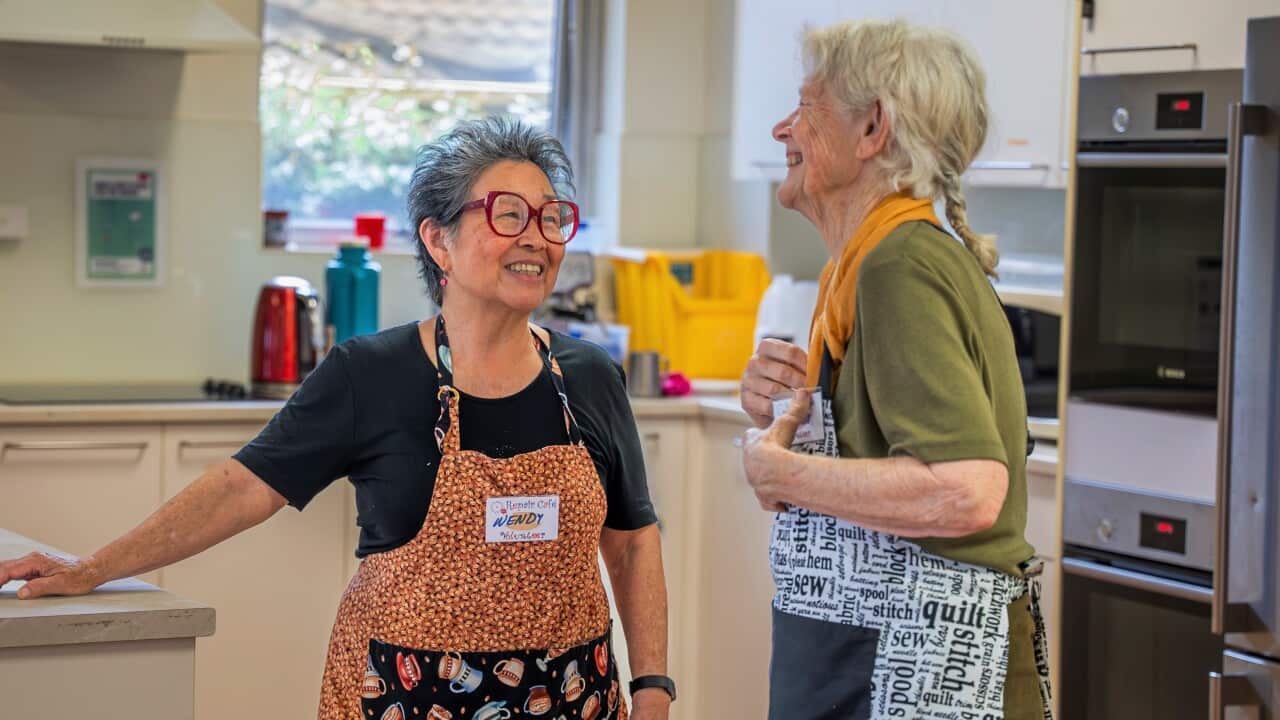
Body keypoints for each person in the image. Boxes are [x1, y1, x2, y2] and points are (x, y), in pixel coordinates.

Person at [0, 117, 674, 720]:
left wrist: (651, 686)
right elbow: (243, 488)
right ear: (438, 241)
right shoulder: (369, 374)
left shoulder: (588, 378)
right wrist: (90, 568)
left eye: (550, 217)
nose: (536, 237)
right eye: (508, 214)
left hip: (573, 698)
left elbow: (634, 539)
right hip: (405, 698)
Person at [737, 19, 1051, 720]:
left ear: (873, 127)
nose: (781, 129)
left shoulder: (898, 265)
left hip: (914, 653)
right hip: (872, 646)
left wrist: (779, 471)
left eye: (806, 107)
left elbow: (965, 490)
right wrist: (791, 411)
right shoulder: (866, 264)